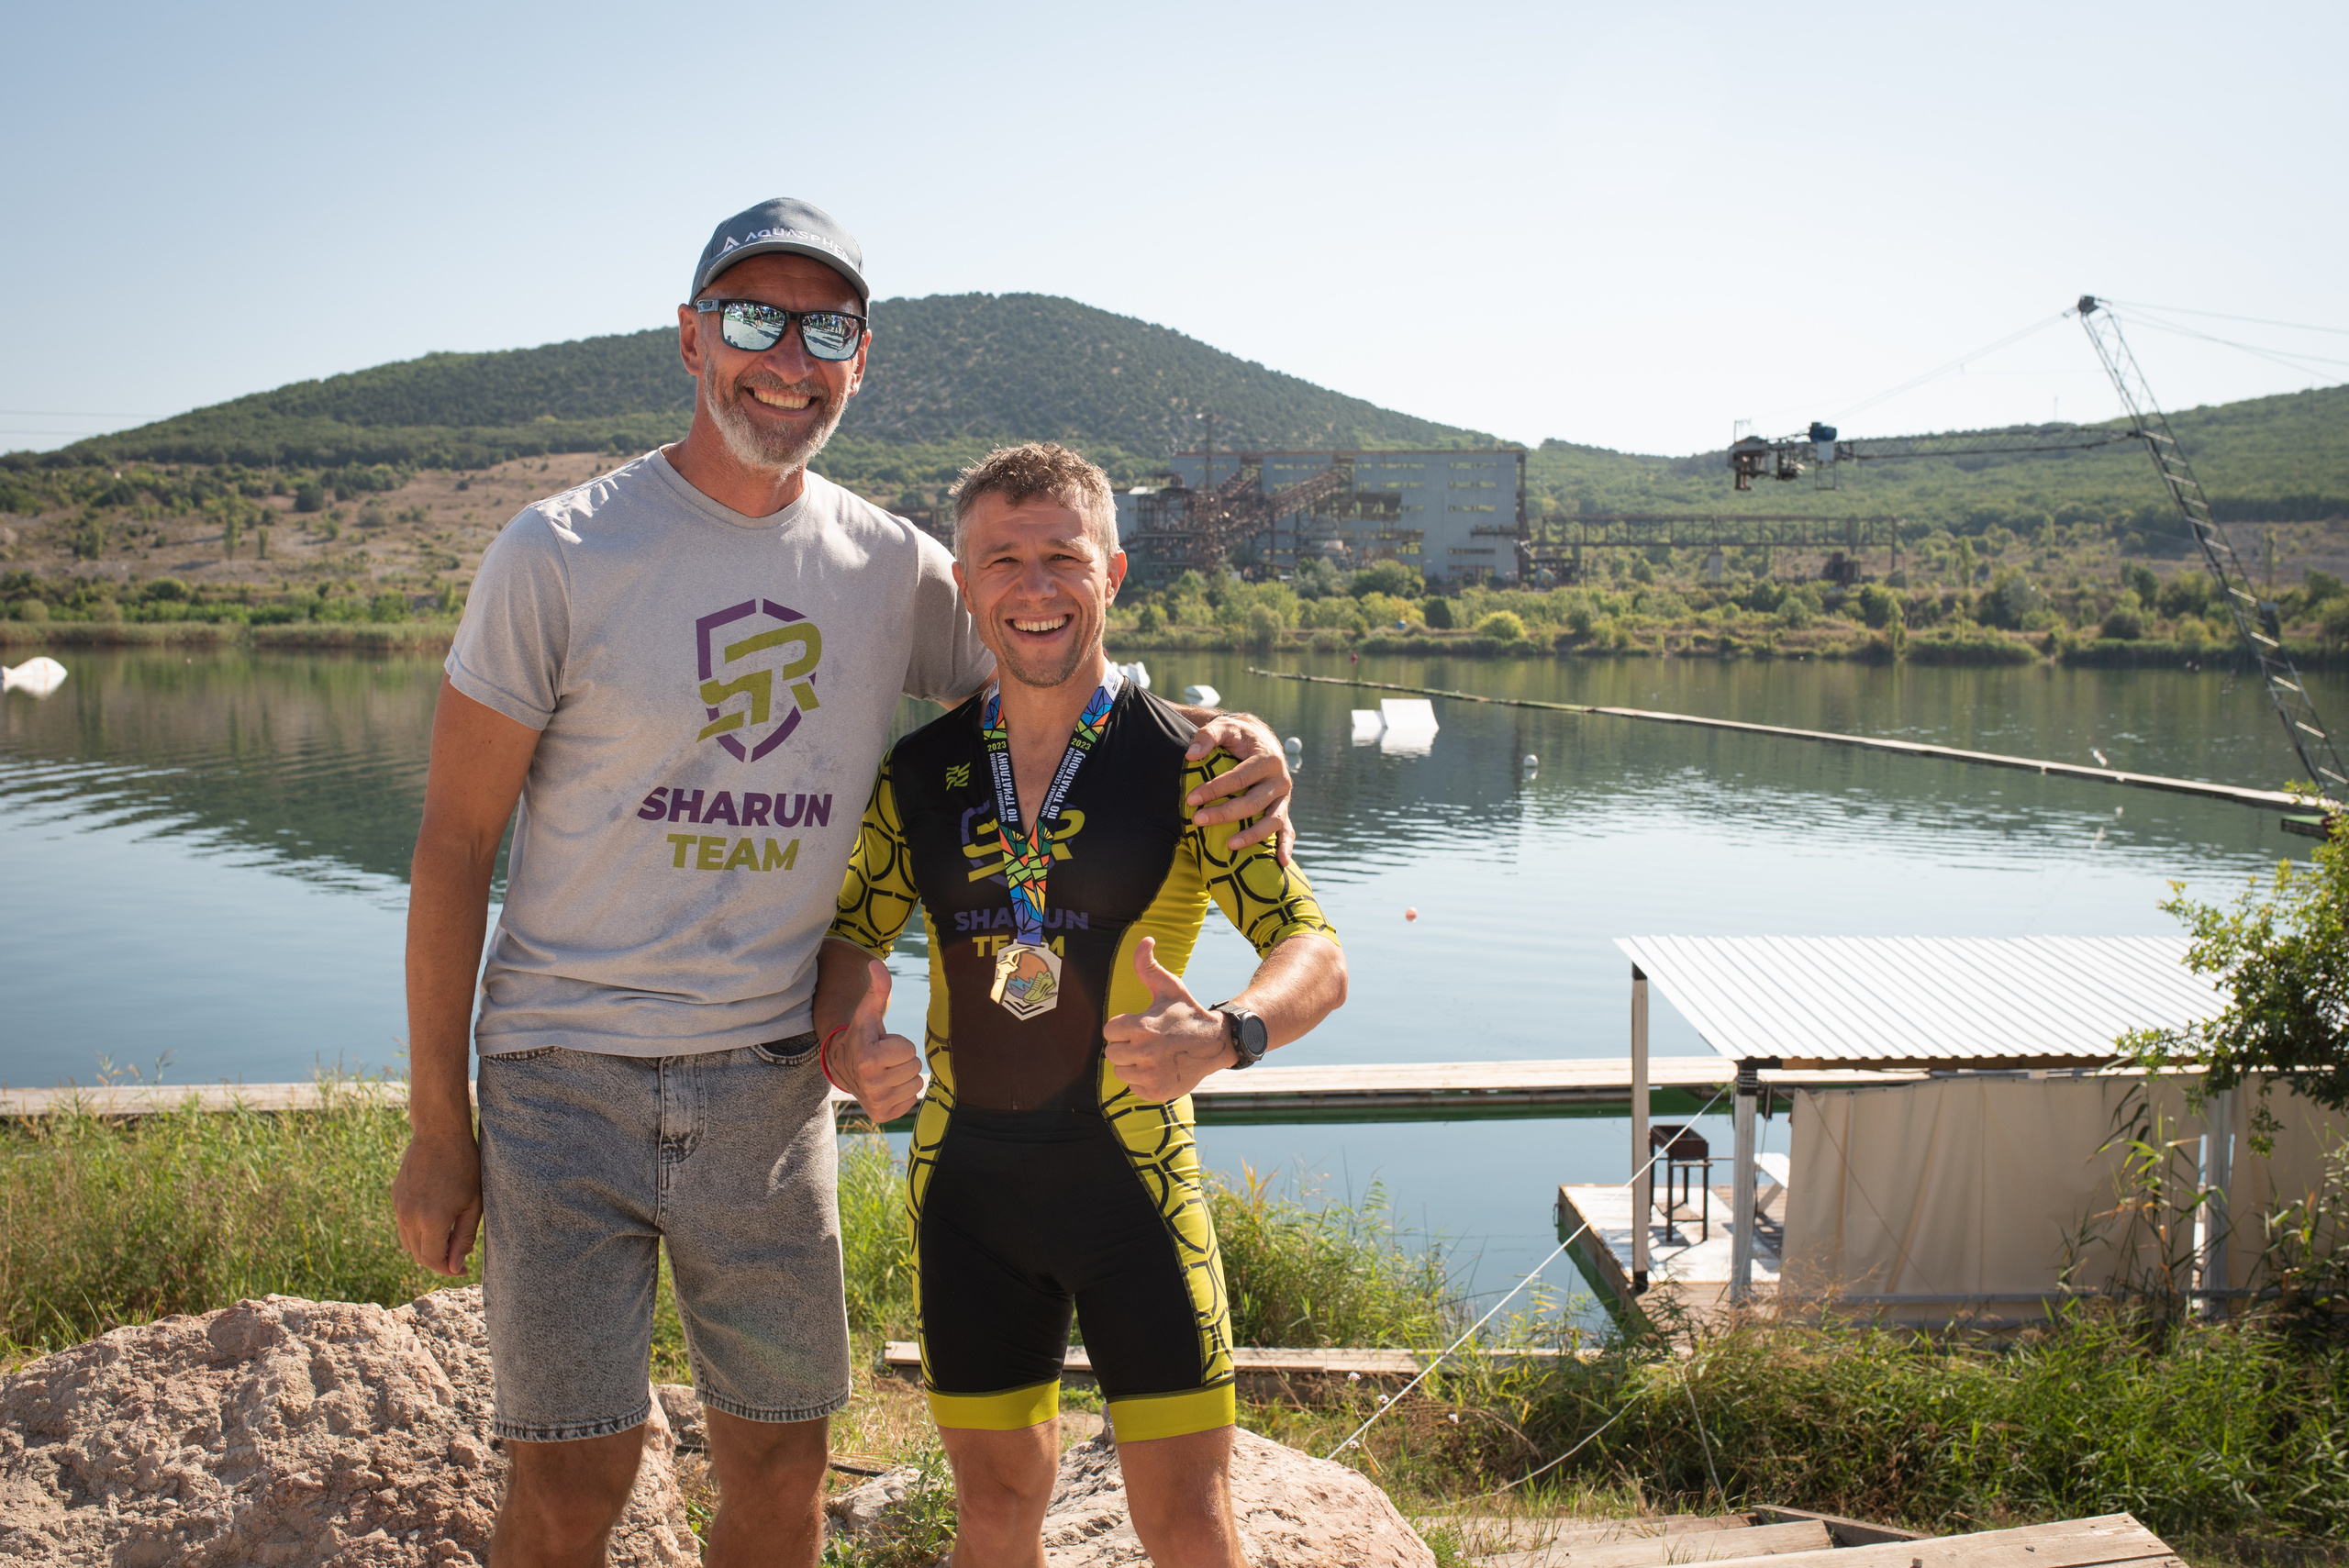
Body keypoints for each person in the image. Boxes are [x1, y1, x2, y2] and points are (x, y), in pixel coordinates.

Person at [390, 200, 1295, 1568]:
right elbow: (454, 849)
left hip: (766, 1084)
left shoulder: (887, 566)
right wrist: (437, 1120)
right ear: (693, 337)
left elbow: (1054, 653)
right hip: (563, 1075)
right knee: (573, 1480)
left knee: (778, 1468)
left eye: (826, 328)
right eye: (753, 317)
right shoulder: (559, 552)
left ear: (858, 362)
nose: (786, 356)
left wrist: (1240, 741)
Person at [818, 443, 1347, 1568]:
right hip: (965, 1196)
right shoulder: (918, 770)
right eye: (1002, 558)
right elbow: (851, 939)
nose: (1034, 584)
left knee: (1192, 1525)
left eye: (1062, 555)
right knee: (994, 1513)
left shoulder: (1200, 764)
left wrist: (1228, 1029)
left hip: (1134, 1194)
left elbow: (1311, 947)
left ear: (1111, 572)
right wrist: (847, 1047)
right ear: (964, 585)